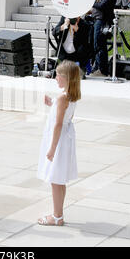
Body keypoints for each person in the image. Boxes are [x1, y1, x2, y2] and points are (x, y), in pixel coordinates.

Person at [37, 60, 80, 226]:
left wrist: (52, 148)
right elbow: (67, 115)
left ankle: (56, 216)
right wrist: (52, 103)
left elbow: (58, 123)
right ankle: (58, 214)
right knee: (60, 179)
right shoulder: (70, 96)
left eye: (58, 75)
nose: (55, 78)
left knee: (55, 179)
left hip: (59, 141)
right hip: (66, 139)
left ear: (66, 78)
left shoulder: (63, 98)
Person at [90, 0, 118, 77]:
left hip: (102, 21)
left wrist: (91, 3)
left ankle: (102, 69)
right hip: (96, 19)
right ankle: (97, 67)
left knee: (99, 44)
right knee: (96, 44)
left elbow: (102, 5)